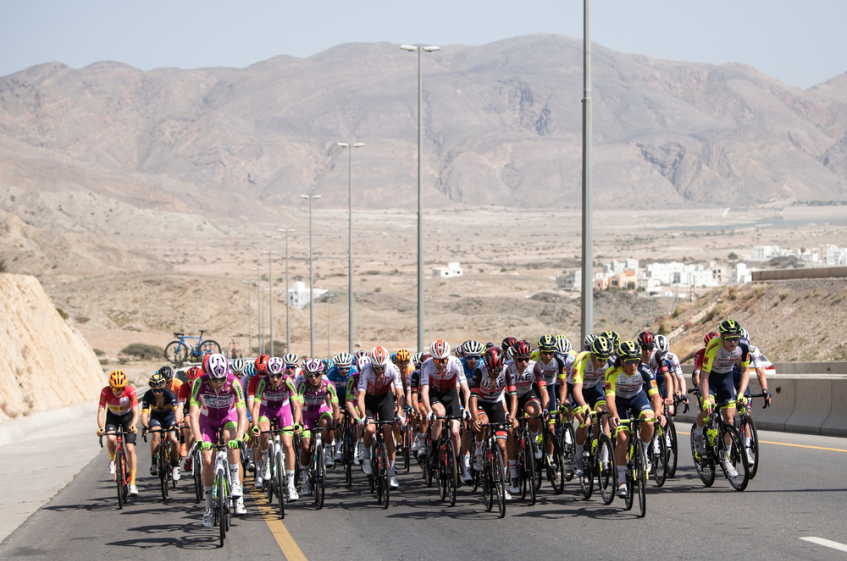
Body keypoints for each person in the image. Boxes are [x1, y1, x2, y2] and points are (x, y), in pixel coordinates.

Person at [189, 353, 248, 525]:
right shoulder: (199, 383)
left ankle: (236, 487)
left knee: (231, 440)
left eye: (222, 379)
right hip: (207, 420)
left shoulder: (234, 382)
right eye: (215, 380)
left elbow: (242, 413)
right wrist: (199, 439)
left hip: (227, 418)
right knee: (207, 460)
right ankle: (208, 507)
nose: (219, 383)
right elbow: (193, 415)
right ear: (208, 374)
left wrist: (240, 436)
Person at [605, 340, 664, 497]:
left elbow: (655, 396)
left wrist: (658, 413)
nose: (633, 365)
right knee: (622, 438)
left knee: (650, 422)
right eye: (629, 361)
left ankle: (643, 451)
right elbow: (610, 399)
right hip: (620, 401)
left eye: (636, 361)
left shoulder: (645, 370)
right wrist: (614, 415)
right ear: (622, 361)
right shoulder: (612, 372)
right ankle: (622, 481)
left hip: (638, 398)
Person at [693, 319, 750, 478]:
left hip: (726, 377)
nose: (733, 342)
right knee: (708, 408)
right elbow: (704, 375)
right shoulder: (713, 346)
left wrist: (741, 393)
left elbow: (746, 372)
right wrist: (705, 399)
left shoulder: (743, 347)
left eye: (736, 338)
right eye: (729, 338)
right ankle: (698, 432)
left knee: (730, 420)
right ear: (722, 337)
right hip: (710, 377)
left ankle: (726, 459)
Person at [420, 340, 471, 483]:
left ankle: (456, 463)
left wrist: (466, 408)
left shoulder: (455, 363)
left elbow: (466, 389)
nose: (441, 364)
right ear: (432, 358)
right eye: (437, 360)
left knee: (455, 432)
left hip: (451, 395)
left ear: (448, 358)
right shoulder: (426, 365)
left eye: (443, 360)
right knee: (440, 414)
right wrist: (429, 411)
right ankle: (435, 452)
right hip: (435, 395)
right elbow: (424, 391)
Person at [252, 356, 301, 501]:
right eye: (272, 376)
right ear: (268, 374)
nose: (275, 379)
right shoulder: (262, 382)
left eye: (278, 375)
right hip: (266, 410)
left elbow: (297, 406)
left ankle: (291, 486)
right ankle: (266, 460)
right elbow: (256, 407)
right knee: (264, 432)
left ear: (282, 374)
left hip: (283, 410)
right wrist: (255, 425)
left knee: (287, 443)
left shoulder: (288, 381)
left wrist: (297, 423)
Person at [469, 346, 514, 500]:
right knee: (482, 423)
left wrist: (512, 416)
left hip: (497, 403)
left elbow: (513, 396)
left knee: (502, 446)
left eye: (498, 369)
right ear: (486, 365)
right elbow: (473, 398)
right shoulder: (479, 371)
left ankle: (502, 485)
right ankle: (479, 452)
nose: (495, 372)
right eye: (492, 369)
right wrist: (475, 418)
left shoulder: (506, 370)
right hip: (481, 402)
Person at [504, 340, 547, 494]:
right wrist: (509, 415)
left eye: (526, 359)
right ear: (514, 358)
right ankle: (514, 475)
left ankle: (534, 441)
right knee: (512, 434)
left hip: (527, 394)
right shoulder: (506, 368)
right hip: (509, 398)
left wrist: (546, 409)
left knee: (536, 413)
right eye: (520, 359)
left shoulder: (535, 366)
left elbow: (543, 391)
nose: (523, 362)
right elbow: (501, 395)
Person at [358, 346, 404, 489]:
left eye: (382, 368)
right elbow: (361, 397)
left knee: (388, 432)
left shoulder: (393, 369)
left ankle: (392, 474)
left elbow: (400, 393)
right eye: (376, 368)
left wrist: (400, 414)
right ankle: (366, 456)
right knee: (370, 429)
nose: (379, 370)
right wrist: (363, 416)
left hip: (385, 399)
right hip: (370, 401)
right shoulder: (366, 370)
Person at [570, 336, 614, 477]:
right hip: (578, 389)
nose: (603, 362)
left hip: (594, 389)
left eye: (605, 359)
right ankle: (577, 458)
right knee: (585, 422)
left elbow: (611, 387)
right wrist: (584, 406)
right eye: (600, 359)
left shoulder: (609, 363)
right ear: (593, 355)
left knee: (604, 414)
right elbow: (577, 389)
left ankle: (604, 457)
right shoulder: (582, 360)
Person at [296, 358, 340, 495]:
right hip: (307, 412)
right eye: (310, 375)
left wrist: (337, 421)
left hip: (321, 410)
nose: (313, 378)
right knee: (305, 446)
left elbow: (335, 406)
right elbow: (297, 405)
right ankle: (304, 478)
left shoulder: (329, 385)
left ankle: (327, 452)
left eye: (316, 374)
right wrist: (298, 423)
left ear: (322, 374)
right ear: (306, 375)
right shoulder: (302, 386)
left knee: (328, 423)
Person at [97, 370, 140, 496]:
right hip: (113, 418)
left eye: (121, 388)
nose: (119, 391)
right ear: (111, 387)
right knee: (110, 438)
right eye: (116, 389)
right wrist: (101, 428)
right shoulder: (105, 392)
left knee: (130, 449)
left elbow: (136, 412)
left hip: (127, 418)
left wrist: (133, 425)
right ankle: (112, 460)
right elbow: (101, 413)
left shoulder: (130, 390)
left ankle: (132, 484)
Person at [140, 372, 181, 481]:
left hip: (170, 416)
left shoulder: (169, 394)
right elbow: (144, 413)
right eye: (154, 390)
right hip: (156, 416)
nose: (156, 393)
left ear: (163, 388)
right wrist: (145, 425)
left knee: (173, 438)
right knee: (155, 434)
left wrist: (178, 422)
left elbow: (177, 410)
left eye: (159, 390)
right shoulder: (148, 395)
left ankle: (176, 465)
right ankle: (154, 462)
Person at [326, 352, 358, 462]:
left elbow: (359, 391)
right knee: (338, 419)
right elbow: (329, 394)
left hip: (351, 396)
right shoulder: (331, 372)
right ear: (336, 367)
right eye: (341, 369)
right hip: (337, 396)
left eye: (346, 368)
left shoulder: (354, 371)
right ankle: (338, 447)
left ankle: (355, 450)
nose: (344, 371)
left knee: (354, 422)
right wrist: (331, 408)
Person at [177, 366, 201, 472]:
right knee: (188, 424)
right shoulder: (183, 387)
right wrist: (178, 421)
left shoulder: (205, 385)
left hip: (202, 405)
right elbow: (180, 407)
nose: (192, 384)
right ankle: (189, 454)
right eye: (190, 382)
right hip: (189, 406)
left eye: (195, 381)